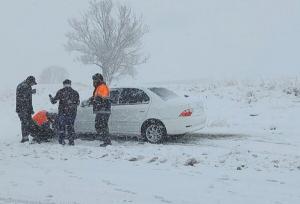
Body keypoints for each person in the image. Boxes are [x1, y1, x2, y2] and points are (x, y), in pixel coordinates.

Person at [49, 79, 80, 145]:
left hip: (62, 112)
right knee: (70, 126)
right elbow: (78, 103)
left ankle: (61, 141)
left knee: (61, 127)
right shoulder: (75, 92)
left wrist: (51, 98)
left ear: (63, 84)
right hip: (72, 113)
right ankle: (71, 141)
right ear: (70, 84)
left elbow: (53, 101)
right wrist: (71, 104)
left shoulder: (61, 91)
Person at [89, 73, 112, 147]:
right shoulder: (98, 87)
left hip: (103, 110)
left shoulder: (102, 87)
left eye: (95, 80)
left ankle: (107, 141)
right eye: (93, 80)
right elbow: (97, 97)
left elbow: (104, 98)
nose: (93, 81)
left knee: (102, 126)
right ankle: (105, 139)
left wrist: (96, 101)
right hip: (100, 110)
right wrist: (91, 99)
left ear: (99, 80)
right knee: (99, 126)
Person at [16, 76, 37, 143]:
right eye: (33, 83)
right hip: (22, 108)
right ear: (30, 81)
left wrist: (31, 109)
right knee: (25, 122)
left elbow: (29, 100)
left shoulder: (27, 86)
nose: (33, 85)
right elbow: (23, 98)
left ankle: (33, 135)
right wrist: (31, 92)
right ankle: (25, 138)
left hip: (26, 108)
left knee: (29, 122)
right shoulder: (23, 86)